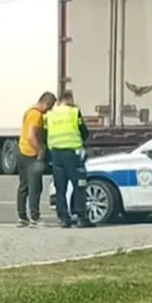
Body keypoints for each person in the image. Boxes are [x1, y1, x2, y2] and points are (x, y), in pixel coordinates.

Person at [44, 90, 93, 228]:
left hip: (56, 155)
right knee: (80, 185)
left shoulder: (50, 115)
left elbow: (45, 133)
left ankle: (63, 218)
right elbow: (84, 132)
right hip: (73, 154)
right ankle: (81, 216)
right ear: (70, 100)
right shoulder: (74, 112)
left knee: (60, 189)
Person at [16, 91, 57, 227]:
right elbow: (31, 135)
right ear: (45, 103)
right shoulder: (36, 115)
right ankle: (35, 217)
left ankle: (22, 217)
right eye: (50, 106)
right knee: (35, 187)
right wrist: (40, 151)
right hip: (31, 154)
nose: (49, 110)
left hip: (22, 151)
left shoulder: (29, 111)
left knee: (23, 186)